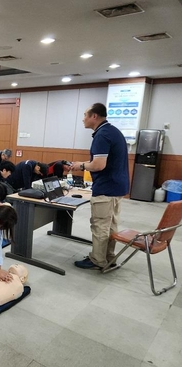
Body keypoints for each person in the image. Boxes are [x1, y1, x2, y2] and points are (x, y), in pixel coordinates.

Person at [70, 103, 129, 270]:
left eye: (85, 115)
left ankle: (97, 260)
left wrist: (80, 165)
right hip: (117, 187)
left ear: (94, 116)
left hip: (106, 188)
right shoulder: (113, 131)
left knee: (100, 225)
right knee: (111, 225)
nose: (83, 119)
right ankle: (109, 258)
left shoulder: (102, 135)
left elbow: (98, 165)